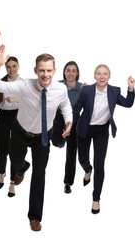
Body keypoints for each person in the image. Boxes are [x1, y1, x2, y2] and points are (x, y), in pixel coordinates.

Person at [0, 45, 72, 231]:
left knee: (39, 175)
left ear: (54, 71)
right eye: (41, 70)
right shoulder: (25, 85)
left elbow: (65, 105)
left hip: (42, 137)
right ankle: (21, 168)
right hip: (19, 132)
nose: (45, 74)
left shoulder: (60, 89)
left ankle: (34, 217)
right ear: (35, 70)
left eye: (49, 70)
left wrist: (69, 121)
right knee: (16, 160)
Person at [73, 64, 135, 214]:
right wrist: (69, 125)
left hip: (101, 131)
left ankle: (96, 198)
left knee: (99, 164)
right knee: (82, 159)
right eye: (99, 74)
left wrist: (131, 88)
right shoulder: (87, 90)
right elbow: (76, 109)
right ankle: (87, 170)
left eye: (105, 74)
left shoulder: (114, 91)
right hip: (84, 128)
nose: (102, 76)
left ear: (109, 76)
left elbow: (128, 103)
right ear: (95, 76)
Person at [0, 56, 28, 197]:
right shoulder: (1, 82)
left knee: (16, 150)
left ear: (18, 66)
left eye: (14, 66)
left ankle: (13, 182)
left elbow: (30, 100)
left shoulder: (24, 83)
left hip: (19, 116)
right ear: (5, 68)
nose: (11, 69)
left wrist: (16, 99)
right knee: (1, 148)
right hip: (3, 116)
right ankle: (2, 173)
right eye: (8, 67)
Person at [51, 61, 85, 194]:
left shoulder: (83, 88)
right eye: (68, 70)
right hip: (60, 120)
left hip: (75, 122)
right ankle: (60, 142)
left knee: (72, 152)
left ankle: (68, 182)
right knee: (57, 143)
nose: (71, 73)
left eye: (73, 71)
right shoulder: (57, 85)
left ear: (77, 73)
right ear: (64, 72)